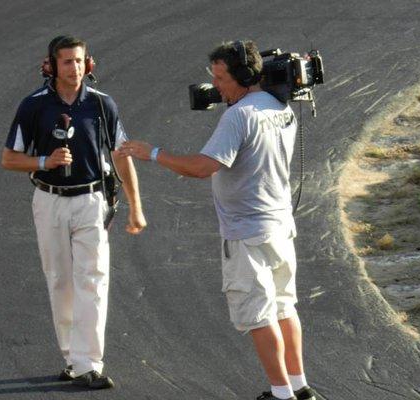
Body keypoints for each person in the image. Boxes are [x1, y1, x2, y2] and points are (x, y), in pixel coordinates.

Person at [118, 40, 315, 400]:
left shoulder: (238, 116)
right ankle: (300, 388)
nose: (217, 87)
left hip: (247, 233)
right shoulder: (279, 107)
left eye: (222, 78)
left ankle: (281, 394)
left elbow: (204, 167)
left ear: (244, 75)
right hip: (280, 228)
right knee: (285, 307)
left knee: (259, 315)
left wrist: (155, 154)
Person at [1, 35, 146, 390]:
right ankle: (72, 357)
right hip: (49, 201)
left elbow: (121, 155)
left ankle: (88, 363)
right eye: (67, 62)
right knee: (61, 281)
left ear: (89, 64)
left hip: (91, 202)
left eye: (80, 61)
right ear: (50, 66)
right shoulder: (33, 106)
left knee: (93, 280)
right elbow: (8, 159)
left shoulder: (101, 104)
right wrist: (43, 161)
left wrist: (136, 208)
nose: (75, 68)